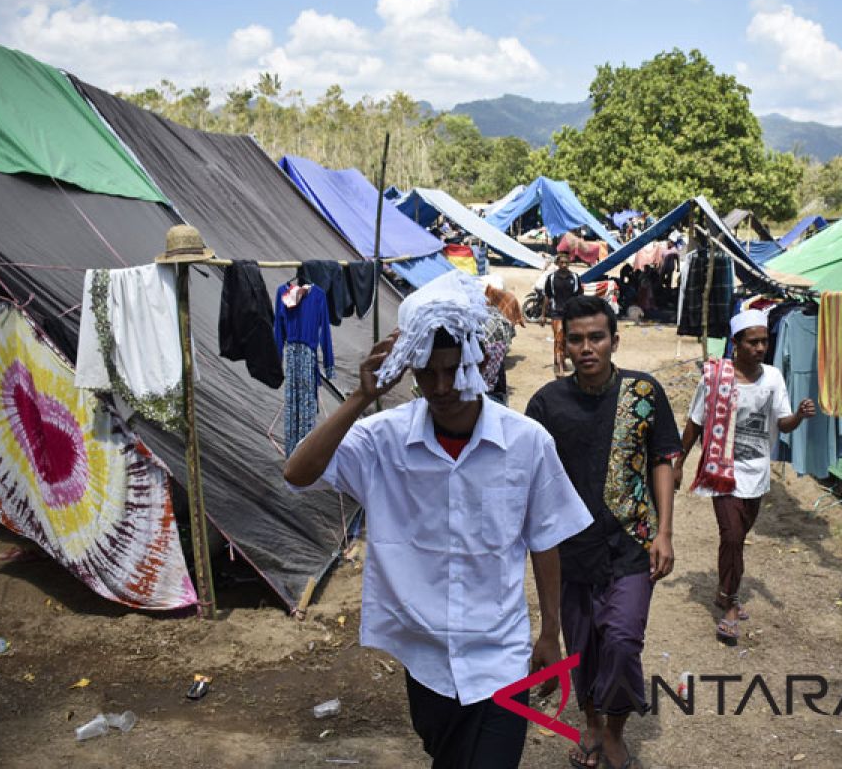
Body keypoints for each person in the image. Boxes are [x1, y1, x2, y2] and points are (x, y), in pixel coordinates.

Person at [284, 271, 592, 769]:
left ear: (478, 361)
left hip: (500, 654)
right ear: (410, 372)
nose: (443, 386)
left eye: (454, 369)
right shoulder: (382, 439)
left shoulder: (526, 442)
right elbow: (297, 473)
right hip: (425, 658)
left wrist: (550, 632)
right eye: (427, 372)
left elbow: (545, 538)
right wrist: (361, 398)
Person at [525, 295, 681, 769]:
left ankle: (614, 729)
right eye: (576, 339)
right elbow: (529, 476)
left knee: (622, 638)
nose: (586, 347)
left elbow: (662, 459)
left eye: (596, 337)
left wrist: (665, 533)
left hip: (631, 544)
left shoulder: (643, 394)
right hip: (571, 552)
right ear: (565, 344)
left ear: (614, 340)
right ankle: (591, 724)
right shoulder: (546, 404)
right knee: (584, 646)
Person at [673, 309, 816, 640]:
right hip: (721, 472)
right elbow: (695, 421)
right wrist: (679, 462)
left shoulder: (773, 378)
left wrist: (799, 416)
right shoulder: (714, 379)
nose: (760, 347)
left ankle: (724, 590)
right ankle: (731, 604)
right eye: (753, 342)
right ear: (735, 343)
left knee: (737, 538)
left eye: (764, 341)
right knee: (733, 537)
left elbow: (782, 423)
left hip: (757, 474)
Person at [539, 254, 582, 376]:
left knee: (567, 339)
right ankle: (559, 367)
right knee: (558, 338)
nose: (564, 265)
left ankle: (560, 360)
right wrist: (543, 315)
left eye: (566, 263)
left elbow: (579, 296)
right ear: (557, 264)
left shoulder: (575, 277)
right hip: (556, 313)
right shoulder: (551, 278)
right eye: (561, 263)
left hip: (571, 314)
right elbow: (547, 296)